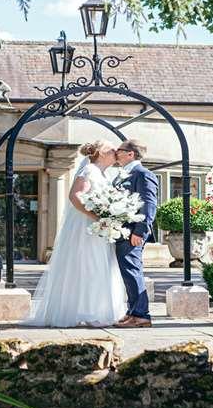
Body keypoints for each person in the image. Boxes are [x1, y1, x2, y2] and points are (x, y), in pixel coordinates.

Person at [21, 140, 128, 327]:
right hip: (87, 228)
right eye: (112, 150)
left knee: (99, 267)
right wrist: (97, 216)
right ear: (102, 153)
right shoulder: (90, 171)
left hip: (100, 229)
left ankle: (96, 310)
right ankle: (87, 312)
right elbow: (75, 196)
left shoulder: (103, 174)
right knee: (89, 266)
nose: (116, 152)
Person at [112, 139, 157, 328]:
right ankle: (133, 312)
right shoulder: (124, 174)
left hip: (133, 232)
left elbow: (149, 205)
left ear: (130, 154)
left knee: (132, 271)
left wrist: (140, 231)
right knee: (127, 272)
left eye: (119, 150)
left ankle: (141, 316)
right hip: (121, 231)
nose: (116, 152)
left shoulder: (143, 174)